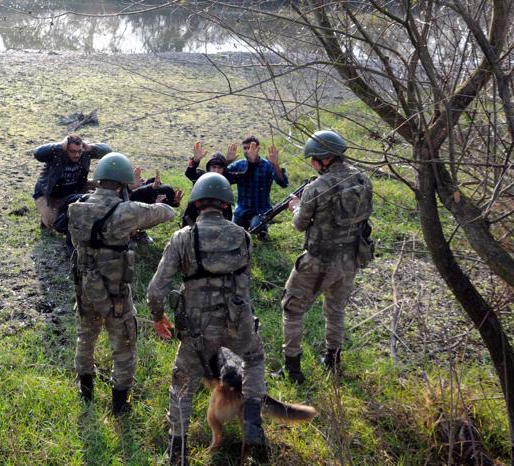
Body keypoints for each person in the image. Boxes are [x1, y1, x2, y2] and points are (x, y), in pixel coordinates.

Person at [147, 173, 268, 464]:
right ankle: (252, 421)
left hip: (198, 330)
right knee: (254, 360)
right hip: (238, 323)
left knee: (182, 383)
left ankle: (177, 451)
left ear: (197, 203)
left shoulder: (183, 238)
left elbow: (155, 290)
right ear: (227, 206)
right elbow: (244, 286)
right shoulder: (243, 236)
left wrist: (158, 316)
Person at [67, 152, 176, 415]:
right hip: (115, 291)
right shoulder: (127, 210)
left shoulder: (76, 208)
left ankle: (86, 390)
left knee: (86, 337)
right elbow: (167, 213)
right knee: (124, 345)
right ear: (121, 185)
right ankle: (119, 404)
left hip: (86, 288)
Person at [278, 130, 373, 383]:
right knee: (336, 310)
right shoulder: (362, 180)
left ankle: (293, 369)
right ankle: (333, 359)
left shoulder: (316, 188)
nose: (312, 164)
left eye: (314, 159)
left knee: (293, 309)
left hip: (318, 261)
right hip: (350, 258)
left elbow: (300, 224)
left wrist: (296, 206)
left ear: (324, 159)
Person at [33, 135, 112, 230]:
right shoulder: (57, 153)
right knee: (55, 224)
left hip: (73, 190)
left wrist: (90, 147)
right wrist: (60, 146)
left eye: (79, 151)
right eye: (72, 151)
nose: (77, 155)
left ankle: (108, 209)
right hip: (48, 194)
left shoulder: (85, 153)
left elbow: (108, 151)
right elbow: (37, 153)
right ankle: (47, 216)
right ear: (66, 149)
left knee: (97, 185)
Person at [226, 136, 289, 238]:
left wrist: (276, 165)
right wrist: (227, 162)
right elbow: (223, 178)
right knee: (234, 234)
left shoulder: (267, 165)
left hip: (261, 210)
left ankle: (261, 228)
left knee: (258, 230)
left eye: (250, 148)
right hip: (242, 209)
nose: (247, 151)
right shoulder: (239, 165)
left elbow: (283, 183)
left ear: (258, 149)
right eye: (245, 148)